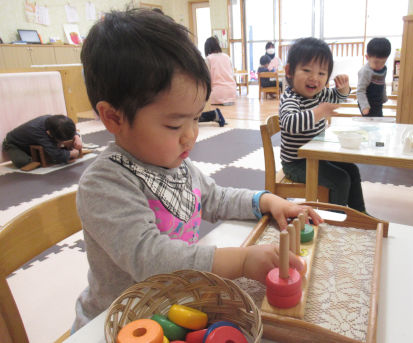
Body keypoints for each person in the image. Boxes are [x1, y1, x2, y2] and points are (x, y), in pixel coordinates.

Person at [72, 9, 323, 331]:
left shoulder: (174, 163)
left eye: (196, 118)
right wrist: (243, 261)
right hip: (120, 321)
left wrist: (267, 201)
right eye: (175, 123)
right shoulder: (105, 184)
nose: (191, 134)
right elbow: (153, 260)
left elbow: (215, 198)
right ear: (114, 118)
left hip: (176, 306)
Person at [279, 37, 366, 212]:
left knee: (352, 170)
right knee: (340, 180)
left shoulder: (320, 94)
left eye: (321, 73)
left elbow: (337, 98)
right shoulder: (291, 98)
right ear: (289, 71)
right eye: (306, 70)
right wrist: (318, 112)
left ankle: (358, 212)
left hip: (317, 157)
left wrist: (343, 89)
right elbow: (289, 123)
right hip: (296, 164)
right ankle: (334, 219)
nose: (314, 78)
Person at [2, 114, 82, 171]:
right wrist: (72, 153)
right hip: (13, 144)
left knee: (50, 150)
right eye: (60, 140)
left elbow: (69, 129)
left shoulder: (54, 121)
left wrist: (76, 136)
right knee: (23, 162)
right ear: (48, 133)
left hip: (32, 140)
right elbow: (57, 155)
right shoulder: (38, 132)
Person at [357, 37, 391, 117]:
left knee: (379, 118)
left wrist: (384, 97)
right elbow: (360, 91)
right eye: (376, 62)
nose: (379, 66)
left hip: (378, 101)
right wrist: (364, 106)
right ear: (367, 57)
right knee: (369, 123)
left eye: (383, 62)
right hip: (366, 101)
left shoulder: (383, 69)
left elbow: (382, 83)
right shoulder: (365, 71)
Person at [204, 36, 237, 106]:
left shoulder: (208, 59)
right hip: (232, 93)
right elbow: (232, 74)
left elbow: (206, 79)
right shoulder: (227, 57)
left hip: (217, 94)